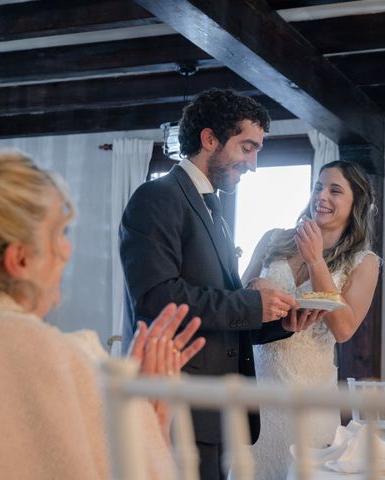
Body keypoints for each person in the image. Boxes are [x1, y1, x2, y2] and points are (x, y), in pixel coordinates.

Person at [0, 151, 206, 479]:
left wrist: (147, 414)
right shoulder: (10, 342)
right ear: (20, 260)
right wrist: (143, 416)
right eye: (59, 234)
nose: (68, 250)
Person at [119, 89, 311, 480]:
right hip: (178, 402)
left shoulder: (213, 208)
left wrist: (276, 321)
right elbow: (158, 300)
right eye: (247, 147)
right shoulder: (156, 198)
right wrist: (252, 305)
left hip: (218, 407)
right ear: (209, 140)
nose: (254, 164)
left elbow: (218, 308)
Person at [240, 160, 380, 479]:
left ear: (355, 203)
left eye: (335, 190)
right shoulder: (273, 240)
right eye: (319, 187)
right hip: (258, 391)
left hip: (310, 400)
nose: (322, 196)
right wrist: (252, 287)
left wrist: (316, 261)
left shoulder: (365, 262)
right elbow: (237, 300)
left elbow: (344, 329)